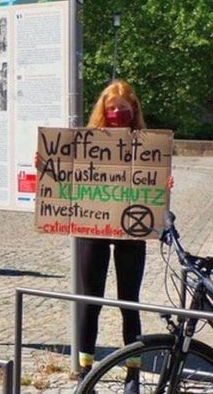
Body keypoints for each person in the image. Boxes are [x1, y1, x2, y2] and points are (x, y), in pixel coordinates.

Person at [71, 80, 164, 391]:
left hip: (130, 231)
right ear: (103, 110)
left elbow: (153, 178)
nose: (116, 114)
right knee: (89, 301)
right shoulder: (88, 142)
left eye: (122, 110)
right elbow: (65, 174)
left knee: (129, 302)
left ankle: (133, 373)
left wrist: (162, 185)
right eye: (111, 109)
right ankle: (85, 371)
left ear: (133, 110)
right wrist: (46, 166)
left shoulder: (146, 144)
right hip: (93, 227)